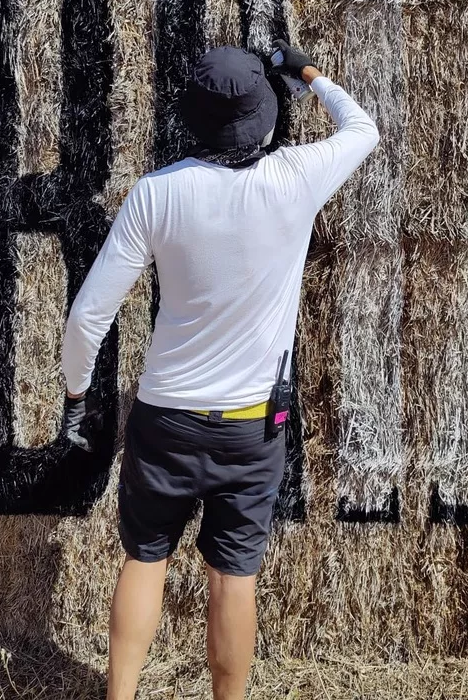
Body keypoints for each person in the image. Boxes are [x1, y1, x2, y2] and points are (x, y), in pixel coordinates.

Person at [58, 40, 379, 700]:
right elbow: (364, 128)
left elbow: (89, 316)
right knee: (234, 576)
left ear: (193, 120)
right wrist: (309, 73)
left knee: (144, 559)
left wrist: (77, 392)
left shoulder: (156, 194)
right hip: (251, 427)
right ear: (264, 116)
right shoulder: (297, 177)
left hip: (166, 419)